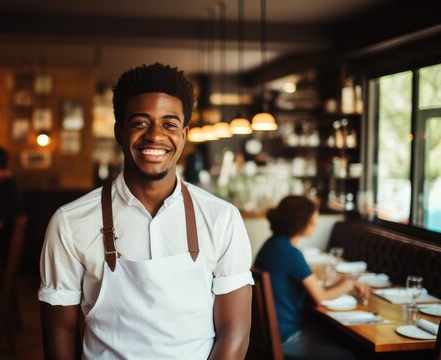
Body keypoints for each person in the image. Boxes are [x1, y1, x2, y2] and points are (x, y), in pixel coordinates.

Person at [39, 63, 254, 360]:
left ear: (184, 134)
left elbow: (235, 331)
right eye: (141, 122)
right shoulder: (70, 222)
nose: (155, 136)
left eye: (169, 124)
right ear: (119, 131)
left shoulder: (222, 218)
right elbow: (59, 331)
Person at [254, 195, 369, 360]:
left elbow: (314, 291)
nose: (316, 223)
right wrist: (349, 283)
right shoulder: (291, 253)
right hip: (287, 337)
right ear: (300, 221)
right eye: (312, 219)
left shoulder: (271, 244)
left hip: (267, 337)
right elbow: (320, 298)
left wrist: (342, 284)